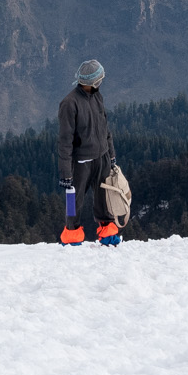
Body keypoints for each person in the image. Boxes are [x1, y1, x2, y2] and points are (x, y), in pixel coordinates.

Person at [56, 58, 119, 246]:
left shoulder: (97, 96)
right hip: (81, 162)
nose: (101, 82)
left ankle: (108, 234)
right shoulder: (69, 103)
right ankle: (72, 237)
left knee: (104, 199)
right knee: (73, 201)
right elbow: (64, 141)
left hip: (102, 157)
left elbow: (105, 127)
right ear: (93, 81)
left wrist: (111, 154)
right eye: (100, 79)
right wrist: (66, 172)